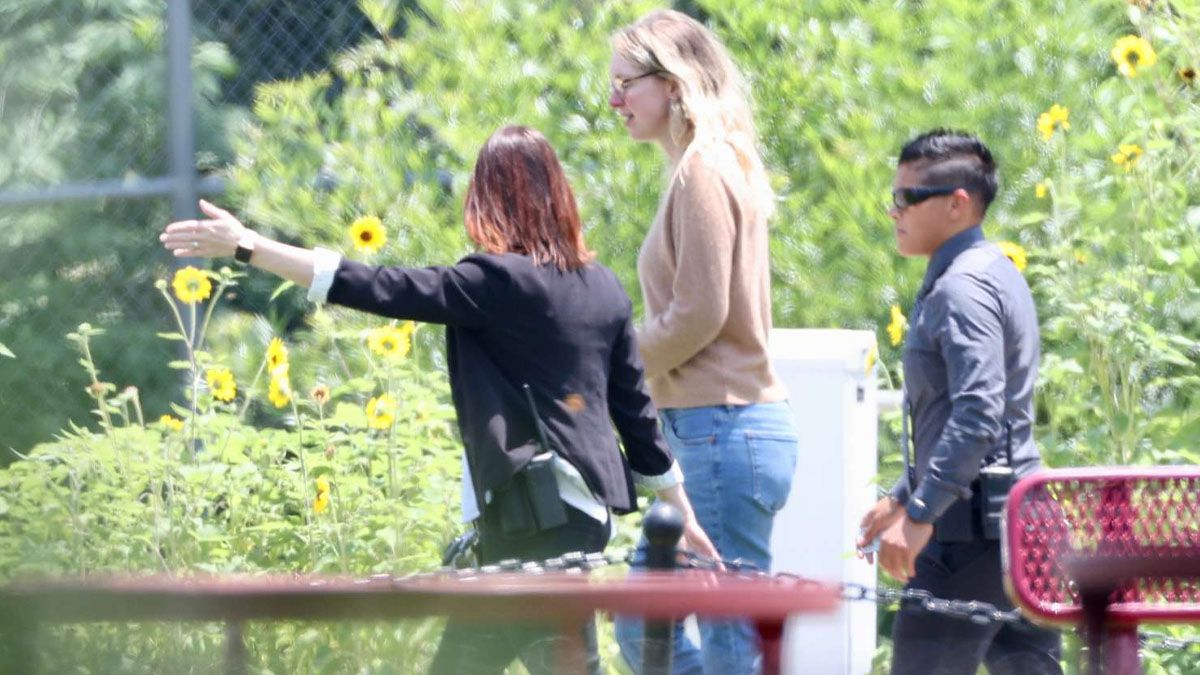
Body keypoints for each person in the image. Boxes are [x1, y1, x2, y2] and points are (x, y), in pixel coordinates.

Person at [160, 125, 718, 675]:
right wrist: (682, 510)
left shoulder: (497, 281)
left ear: (489, 201)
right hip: (577, 517)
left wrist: (249, 247)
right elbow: (637, 418)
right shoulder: (603, 288)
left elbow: (375, 284)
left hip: (533, 520)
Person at [608, 10, 799, 674]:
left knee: (728, 645)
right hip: (716, 429)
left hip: (722, 427)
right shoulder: (712, 163)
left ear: (674, 82)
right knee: (641, 627)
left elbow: (698, 314)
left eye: (625, 82)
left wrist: (614, 365)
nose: (614, 100)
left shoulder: (702, 169)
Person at [856, 129, 1062, 674]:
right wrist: (904, 493)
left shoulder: (961, 289)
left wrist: (921, 512)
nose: (893, 210)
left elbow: (978, 414)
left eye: (907, 197)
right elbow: (961, 412)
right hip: (1017, 521)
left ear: (956, 204)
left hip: (970, 531)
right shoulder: (992, 269)